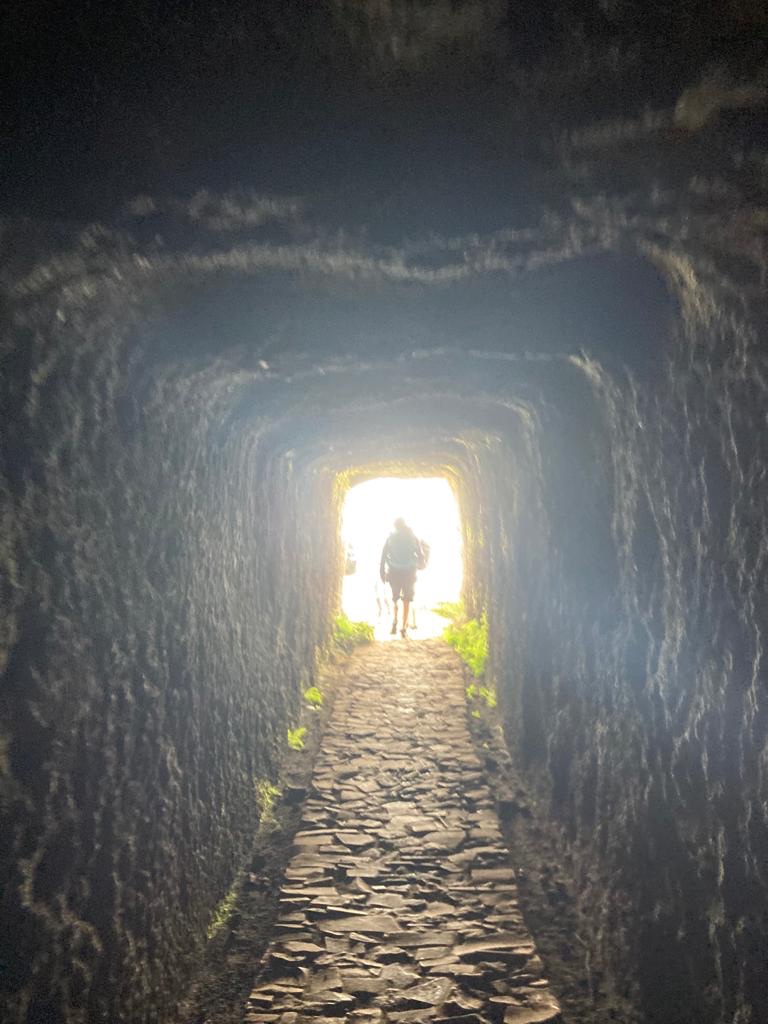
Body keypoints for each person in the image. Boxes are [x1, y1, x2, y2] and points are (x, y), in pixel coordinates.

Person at [380, 518, 424, 638]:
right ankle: (403, 627)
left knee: (395, 598)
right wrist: (421, 564)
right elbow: (420, 554)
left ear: (395, 526)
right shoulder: (412, 537)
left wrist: (382, 573)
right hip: (409, 572)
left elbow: (383, 555)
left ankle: (394, 621)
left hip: (394, 572)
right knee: (406, 599)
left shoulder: (390, 538)